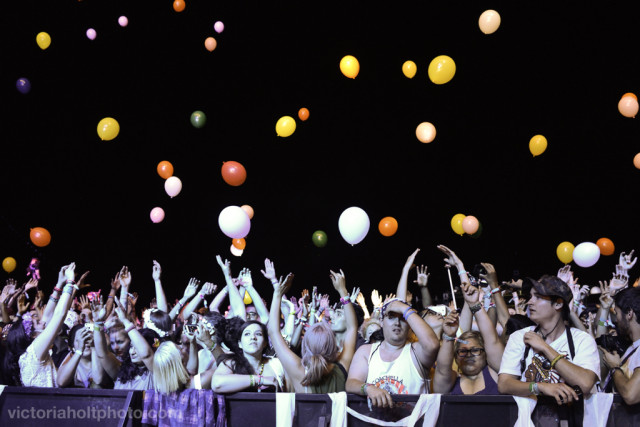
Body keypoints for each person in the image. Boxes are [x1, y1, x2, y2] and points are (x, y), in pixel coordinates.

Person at [346, 249, 440, 408]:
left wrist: (405, 309)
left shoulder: (416, 352)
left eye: (403, 319)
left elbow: (433, 344)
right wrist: (368, 388)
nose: (397, 322)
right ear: (382, 322)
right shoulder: (366, 352)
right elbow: (351, 383)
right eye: (391, 317)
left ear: (410, 323)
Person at [497, 274, 600, 406]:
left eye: (538, 297)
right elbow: (504, 384)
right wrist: (539, 387)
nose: (529, 302)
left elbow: (585, 384)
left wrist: (545, 348)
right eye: (531, 296)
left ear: (558, 304)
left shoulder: (582, 340)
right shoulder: (519, 337)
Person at [267, 269, 358, 393]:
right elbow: (352, 327)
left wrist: (277, 294)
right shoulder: (342, 368)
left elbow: (273, 332)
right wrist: (343, 291)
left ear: (305, 347)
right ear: (333, 348)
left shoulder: (297, 369)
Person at [211, 319, 285, 392]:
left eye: (258, 334)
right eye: (247, 334)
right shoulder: (231, 362)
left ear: (265, 343)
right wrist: (259, 379)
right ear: (240, 344)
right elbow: (217, 384)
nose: (253, 337)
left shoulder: (276, 363)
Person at [599, 287, 640, 404]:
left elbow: (630, 395)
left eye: (617, 313)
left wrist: (614, 368)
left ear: (629, 313)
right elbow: (600, 342)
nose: (616, 320)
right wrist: (604, 310)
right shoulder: (631, 347)